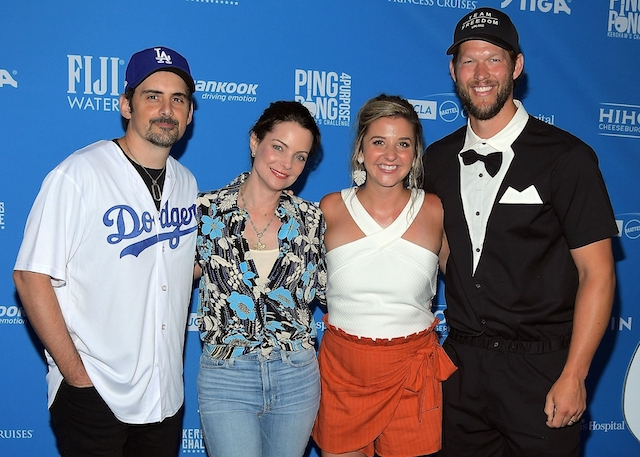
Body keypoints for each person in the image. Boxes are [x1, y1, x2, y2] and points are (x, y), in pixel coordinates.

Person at [423, 8, 617, 457]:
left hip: (542, 370)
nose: (481, 73)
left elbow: (598, 276)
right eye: (469, 60)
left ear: (517, 66)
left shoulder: (568, 158)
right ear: (453, 70)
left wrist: (574, 374)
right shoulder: (436, 159)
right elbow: (440, 250)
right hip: (462, 369)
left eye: (494, 59)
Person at [13, 46, 197, 457]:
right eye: (152, 96)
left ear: (188, 114)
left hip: (164, 397)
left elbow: (170, 267)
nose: (166, 109)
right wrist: (76, 375)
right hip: (95, 393)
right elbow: (30, 276)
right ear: (125, 106)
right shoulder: (79, 174)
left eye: (178, 99)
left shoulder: (186, 182)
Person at [312, 94, 457, 457]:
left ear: (415, 153)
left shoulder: (436, 209)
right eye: (379, 142)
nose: (390, 155)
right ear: (360, 150)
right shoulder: (329, 208)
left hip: (412, 374)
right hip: (341, 374)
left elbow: (471, 282)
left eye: (403, 144)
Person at [194, 100, 325, 457]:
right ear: (255, 142)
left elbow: (336, 293)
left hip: (296, 374)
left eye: (300, 156)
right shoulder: (205, 212)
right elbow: (164, 284)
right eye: (278, 147)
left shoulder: (312, 219)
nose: (286, 164)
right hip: (227, 375)